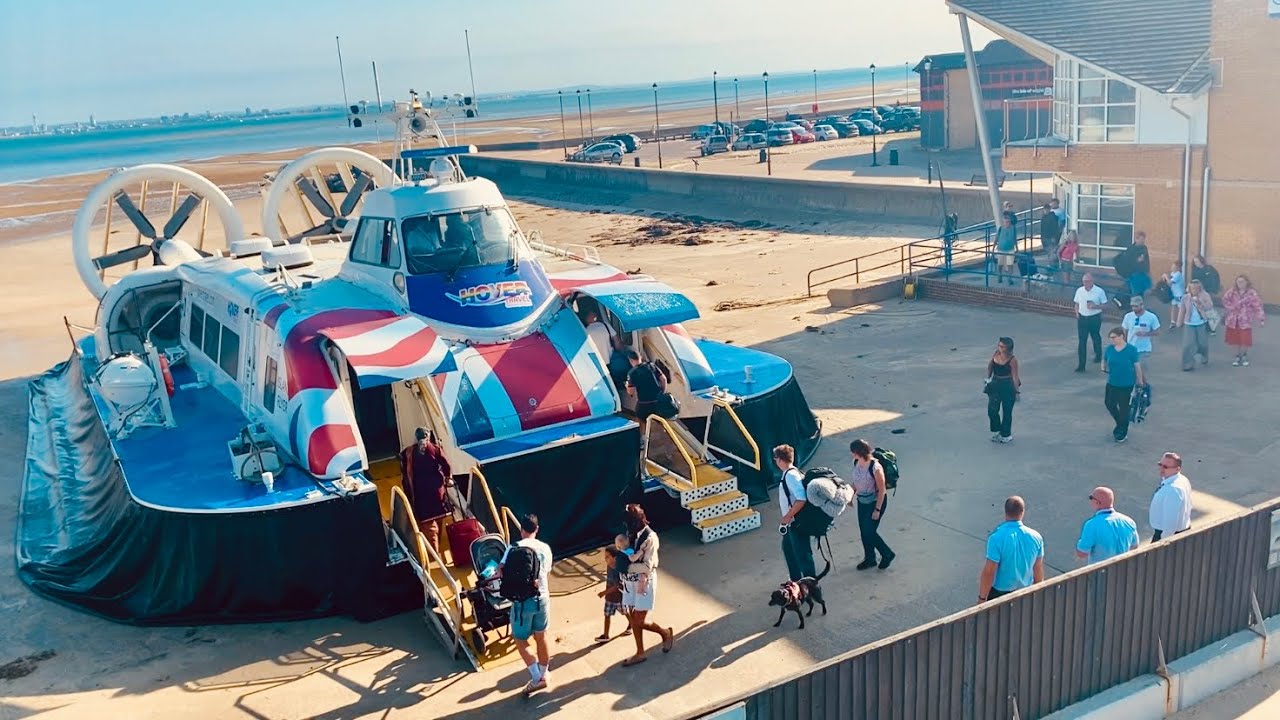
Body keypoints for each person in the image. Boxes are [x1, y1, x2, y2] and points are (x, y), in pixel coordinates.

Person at [498, 513, 554, 693]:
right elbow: (547, 572)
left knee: (520, 640)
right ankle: (545, 673)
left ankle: (537, 678)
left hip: (523, 602)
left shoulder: (513, 547)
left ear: (521, 529)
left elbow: (500, 571)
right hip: (543, 598)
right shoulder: (545, 548)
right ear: (537, 529)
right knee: (542, 636)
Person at [620, 503, 673, 666]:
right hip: (630, 582)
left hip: (645, 581)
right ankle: (640, 652)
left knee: (639, 621)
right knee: (633, 616)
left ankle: (665, 633)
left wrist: (626, 566)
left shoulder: (650, 538)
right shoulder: (631, 534)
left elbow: (648, 566)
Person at [978, 496, 1045, 604]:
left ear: (1005, 512)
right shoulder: (1036, 537)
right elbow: (1038, 568)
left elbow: (989, 571)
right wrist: (1039, 591)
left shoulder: (996, 538)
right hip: (1025, 592)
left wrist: (982, 598)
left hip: (999, 594)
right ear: (1022, 512)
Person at [400, 427, 453, 555]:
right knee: (438, 520)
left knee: (429, 527)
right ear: (428, 436)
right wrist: (448, 478)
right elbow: (447, 465)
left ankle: (434, 554)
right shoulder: (435, 449)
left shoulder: (408, 452)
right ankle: (437, 549)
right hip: (437, 491)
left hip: (420, 494)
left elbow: (402, 465)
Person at [849, 439, 895, 570]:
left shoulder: (875, 467)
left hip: (875, 502)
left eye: (854, 452)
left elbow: (882, 490)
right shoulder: (856, 462)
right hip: (862, 501)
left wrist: (877, 509)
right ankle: (870, 559)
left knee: (869, 532)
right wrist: (850, 496)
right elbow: (856, 481)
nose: (852, 455)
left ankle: (887, 554)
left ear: (859, 452)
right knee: (864, 532)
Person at [774, 444, 816, 582]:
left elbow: (801, 498)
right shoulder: (794, 472)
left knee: (803, 554)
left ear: (780, 460)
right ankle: (796, 582)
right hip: (794, 522)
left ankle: (810, 584)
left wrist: (788, 516)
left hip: (796, 523)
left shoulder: (790, 476)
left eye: (776, 459)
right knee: (789, 551)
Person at [1075, 487, 1139, 564]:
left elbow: (1082, 554)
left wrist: (1081, 543)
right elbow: (1134, 546)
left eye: (1091, 498)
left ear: (1097, 502)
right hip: (1123, 570)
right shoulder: (1129, 521)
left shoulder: (1092, 525)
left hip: (1100, 572)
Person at [1102, 326, 1144, 443]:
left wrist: (1139, 381)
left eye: (1114, 337)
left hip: (1126, 384)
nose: (1112, 340)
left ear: (1121, 336)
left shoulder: (1131, 350)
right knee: (1109, 403)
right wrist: (1103, 366)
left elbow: (1137, 366)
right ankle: (1120, 423)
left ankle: (1122, 432)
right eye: (1110, 338)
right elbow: (1105, 359)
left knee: (1124, 409)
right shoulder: (1110, 349)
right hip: (1112, 382)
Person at [1222, 274, 1265, 367]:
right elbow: (1225, 300)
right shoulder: (1232, 291)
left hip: (1245, 320)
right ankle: (1237, 356)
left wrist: (1261, 318)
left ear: (1247, 282)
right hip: (1233, 319)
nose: (1240, 283)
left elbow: (1257, 306)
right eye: (1238, 282)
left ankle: (1244, 355)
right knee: (1234, 339)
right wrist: (1232, 307)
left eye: (1242, 281)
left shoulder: (1251, 293)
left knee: (1245, 339)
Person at [984, 337, 1021, 443]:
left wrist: (1017, 392)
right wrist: (988, 378)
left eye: (1001, 346)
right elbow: (990, 366)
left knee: (1007, 411)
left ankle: (1006, 435)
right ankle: (998, 430)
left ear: (1007, 348)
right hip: (995, 383)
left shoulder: (1013, 360)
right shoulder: (996, 353)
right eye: (999, 345)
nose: (998, 347)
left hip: (1008, 385)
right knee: (992, 410)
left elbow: (1015, 376)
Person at [1151, 452, 1193, 541]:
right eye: (1160, 464)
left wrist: (1163, 542)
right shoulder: (1181, 479)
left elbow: (1170, 522)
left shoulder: (1173, 490)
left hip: (1168, 534)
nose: (1161, 468)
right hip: (1180, 531)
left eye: (1165, 467)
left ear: (1177, 469)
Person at [595, 545, 632, 643]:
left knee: (625, 612)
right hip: (610, 598)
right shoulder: (609, 566)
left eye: (607, 556)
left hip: (619, 597)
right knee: (607, 615)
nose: (605, 558)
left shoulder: (618, 568)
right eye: (605, 556)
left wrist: (604, 592)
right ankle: (606, 635)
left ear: (614, 557)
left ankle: (632, 625)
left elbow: (617, 586)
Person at [1073, 273, 1107, 372]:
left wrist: (1095, 306)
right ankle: (1081, 365)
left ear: (1092, 281)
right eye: (1084, 281)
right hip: (1082, 318)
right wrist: (1077, 313)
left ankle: (1098, 354)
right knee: (1082, 341)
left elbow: (1105, 305)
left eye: (1087, 281)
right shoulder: (1079, 291)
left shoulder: (1099, 291)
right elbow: (1076, 303)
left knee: (1095, 336)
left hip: (1094, 317)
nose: (1085, 283)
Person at [1178, 279, 1214, 371]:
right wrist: (1179, 322)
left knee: (1203, 343)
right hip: (1189, 323)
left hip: (1201, 322)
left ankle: (1204, 355)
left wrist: (1200, 303)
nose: (1194, 290)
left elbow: (1210, 306)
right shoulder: (1185, 297)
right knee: (1188, 344)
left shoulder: (1205, 296)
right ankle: (1187, 364)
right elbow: (1182, 310)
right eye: (1192, 288)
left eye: (1197, 288)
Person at [1121, 295, 1161, 373]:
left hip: (1144, 348)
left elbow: (1157, 331)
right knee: (1130, 369)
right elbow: (1124, 331)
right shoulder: (1128, 316)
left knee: (1141, 369)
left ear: (1142, 305)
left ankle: (1141, 383)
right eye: (1132, 306)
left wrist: (1145, 334)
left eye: (1136, 306)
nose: (1134, 308)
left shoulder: (1151, 317)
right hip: (1130, 347)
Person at [624, 350, 666, 420]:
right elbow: (664, 379)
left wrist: (627, 386)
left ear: (630, 360)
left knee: (641, 419)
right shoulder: (651, 365)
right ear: (640, 357)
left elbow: (631, 392)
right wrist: (662, 392)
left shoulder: (632, 373)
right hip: (657, 401)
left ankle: (644, 430)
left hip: (644, 403)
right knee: (659, 421)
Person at [994, 212, 1018, 285]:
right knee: (1000, 264)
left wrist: (1017, 247)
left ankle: (1009, 278)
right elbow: (996, 238)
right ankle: (1000, 276)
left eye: (1008, 222)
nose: (1008, 223)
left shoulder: (1013, 228)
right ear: (1003, 222)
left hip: (1010, 249)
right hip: (1001, 249)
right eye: (1006, 222)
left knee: (1010, 264)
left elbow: (1014, 238)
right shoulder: (1000, 229)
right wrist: (993, 248)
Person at [1162, 261, 1186, 326]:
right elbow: (1169, 284)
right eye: (1172, 266)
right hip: (1174, 293)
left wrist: (1166, 277)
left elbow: (1170, 282)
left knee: (1180, 308)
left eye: (1174, 267)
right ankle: (1173, 321)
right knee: (1173, 307)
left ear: (1178, 268)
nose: (1172, 268)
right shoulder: (1173, 273)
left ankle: (1181, 321)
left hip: (1179, 294)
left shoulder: (1178, 274)